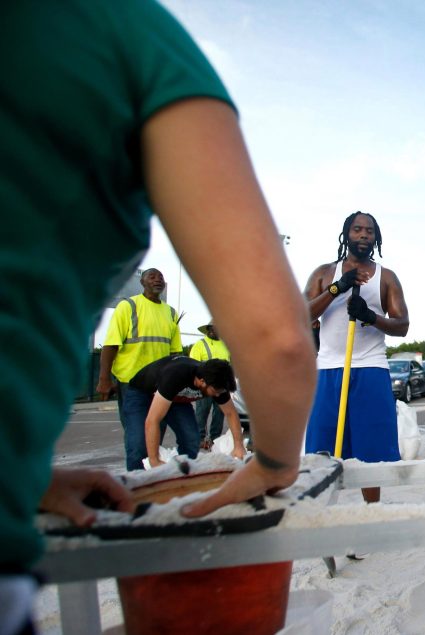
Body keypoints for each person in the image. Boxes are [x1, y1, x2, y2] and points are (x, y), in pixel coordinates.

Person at [0, 2, 316, 629]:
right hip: (138, 388)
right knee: (144, 449)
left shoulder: (198, 367)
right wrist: (276, 463)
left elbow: (229, 411)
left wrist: (23, 475)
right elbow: (278, 339)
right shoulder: (123, 33)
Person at [303, 211, 408, 504]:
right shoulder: (325, 273)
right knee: (321, 449)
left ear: (376, 238)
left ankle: (370, 512)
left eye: (369, 231)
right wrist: (338, 287)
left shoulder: (386, 277)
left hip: (370, 368)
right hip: (329, 369)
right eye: (357, 229)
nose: (364, 235)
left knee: (371, 452)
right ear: (346, 234)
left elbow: (403, 325)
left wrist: (369, 316)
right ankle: (323, 511)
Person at [98, 268, 183, 451]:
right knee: (136, 436)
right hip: (131, 383)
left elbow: (174, 353)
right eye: (152, 277)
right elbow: (111, 345)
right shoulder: (128, 307)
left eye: (161, 276)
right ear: (142, 283)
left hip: (159, 385)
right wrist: (104, 379)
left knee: (156, 434)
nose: (157, 279)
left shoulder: (171, 313)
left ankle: (151, 473)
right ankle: (136, 476)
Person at [128, 357, 246, 469]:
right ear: (202, 381)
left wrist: (238, 446)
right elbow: (153, 420)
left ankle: (184, 474)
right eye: (215, 392)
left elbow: (231, 413)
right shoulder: (176, 375)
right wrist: (154, 460)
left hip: (176, 397)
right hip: (141, 393)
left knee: (191, 439)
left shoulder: (218, 382)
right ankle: (136, 483)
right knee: (138, 444)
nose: (218, 395)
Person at [190, 321, 232, 449]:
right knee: (202, 412)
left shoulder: (226, 346)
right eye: (211, 328)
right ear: (208, 330)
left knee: (219, 414)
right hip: (204, 387)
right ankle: (199, 439)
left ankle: (215, 439)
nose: (214, 330)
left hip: (221, 387)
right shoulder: (200, 345)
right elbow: (193, 365)